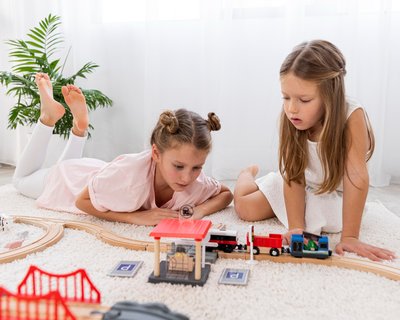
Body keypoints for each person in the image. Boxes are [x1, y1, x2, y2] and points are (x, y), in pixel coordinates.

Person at [234, 40, 395, 261]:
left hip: (333, 193)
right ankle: (247, 175)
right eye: (286, 97)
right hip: (298, 184)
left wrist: (350, 236)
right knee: (246, 209)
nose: (291, 108)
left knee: (331, 224)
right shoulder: (294, 116)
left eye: (304, 99)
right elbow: (293, 175)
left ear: (330, 95)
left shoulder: (351, 116)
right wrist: (296, 227)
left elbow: (356, 177)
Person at [13, 73, 233, 226]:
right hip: (70, 182)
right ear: (156, 153)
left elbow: (225, 194)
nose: (187, 177)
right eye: (178, 166)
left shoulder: (196, 182)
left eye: (197, 167)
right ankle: (47, 119)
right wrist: (135, 218)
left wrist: (200, 211)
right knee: (20, 181)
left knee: (64, 165)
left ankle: (79, 129)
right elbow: (82, 201)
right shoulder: (130, 174)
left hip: (97, 172)